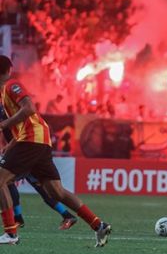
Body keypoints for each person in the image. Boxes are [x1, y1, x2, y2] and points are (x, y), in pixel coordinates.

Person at [0, 55, 111, 246]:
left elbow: (29, 109)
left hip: (32, 139)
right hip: (38, 140)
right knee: (57, 192)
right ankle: (99, 225)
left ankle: (11, 233)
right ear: (9, 69)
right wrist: (10, 145)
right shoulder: (4, 91)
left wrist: (3, 125)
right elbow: (25, 123)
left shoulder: (11, 86)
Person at [0, 102, 77, 230]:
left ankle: (17, 219)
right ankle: (67, 215)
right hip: (23, 153)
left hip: (25, 154)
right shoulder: (11, 117)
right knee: (43, 189)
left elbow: (20, 135)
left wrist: (9, 147)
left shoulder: (9, 117)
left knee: (7, 182)